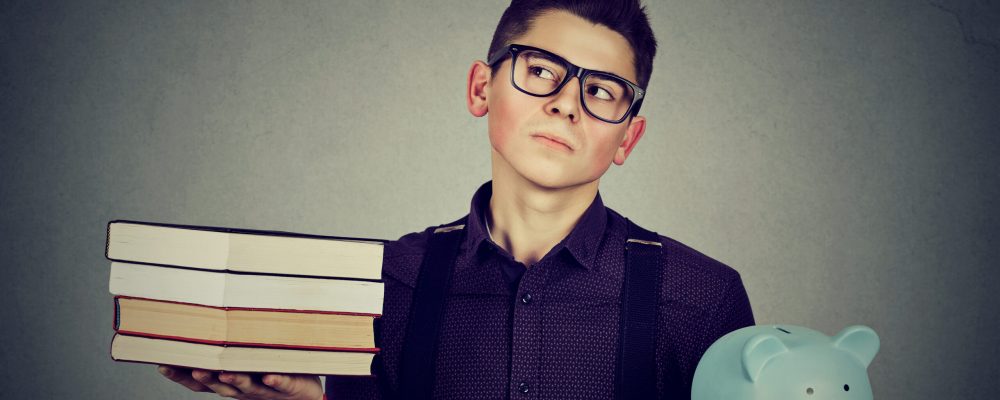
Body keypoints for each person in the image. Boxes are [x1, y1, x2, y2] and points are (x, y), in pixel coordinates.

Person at [158, 0, 755, 398]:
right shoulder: (388, 282)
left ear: (628, 136)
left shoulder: (704, 298)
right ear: (480, 88)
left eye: (601, 90)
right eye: (542, 70)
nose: (567, 103)